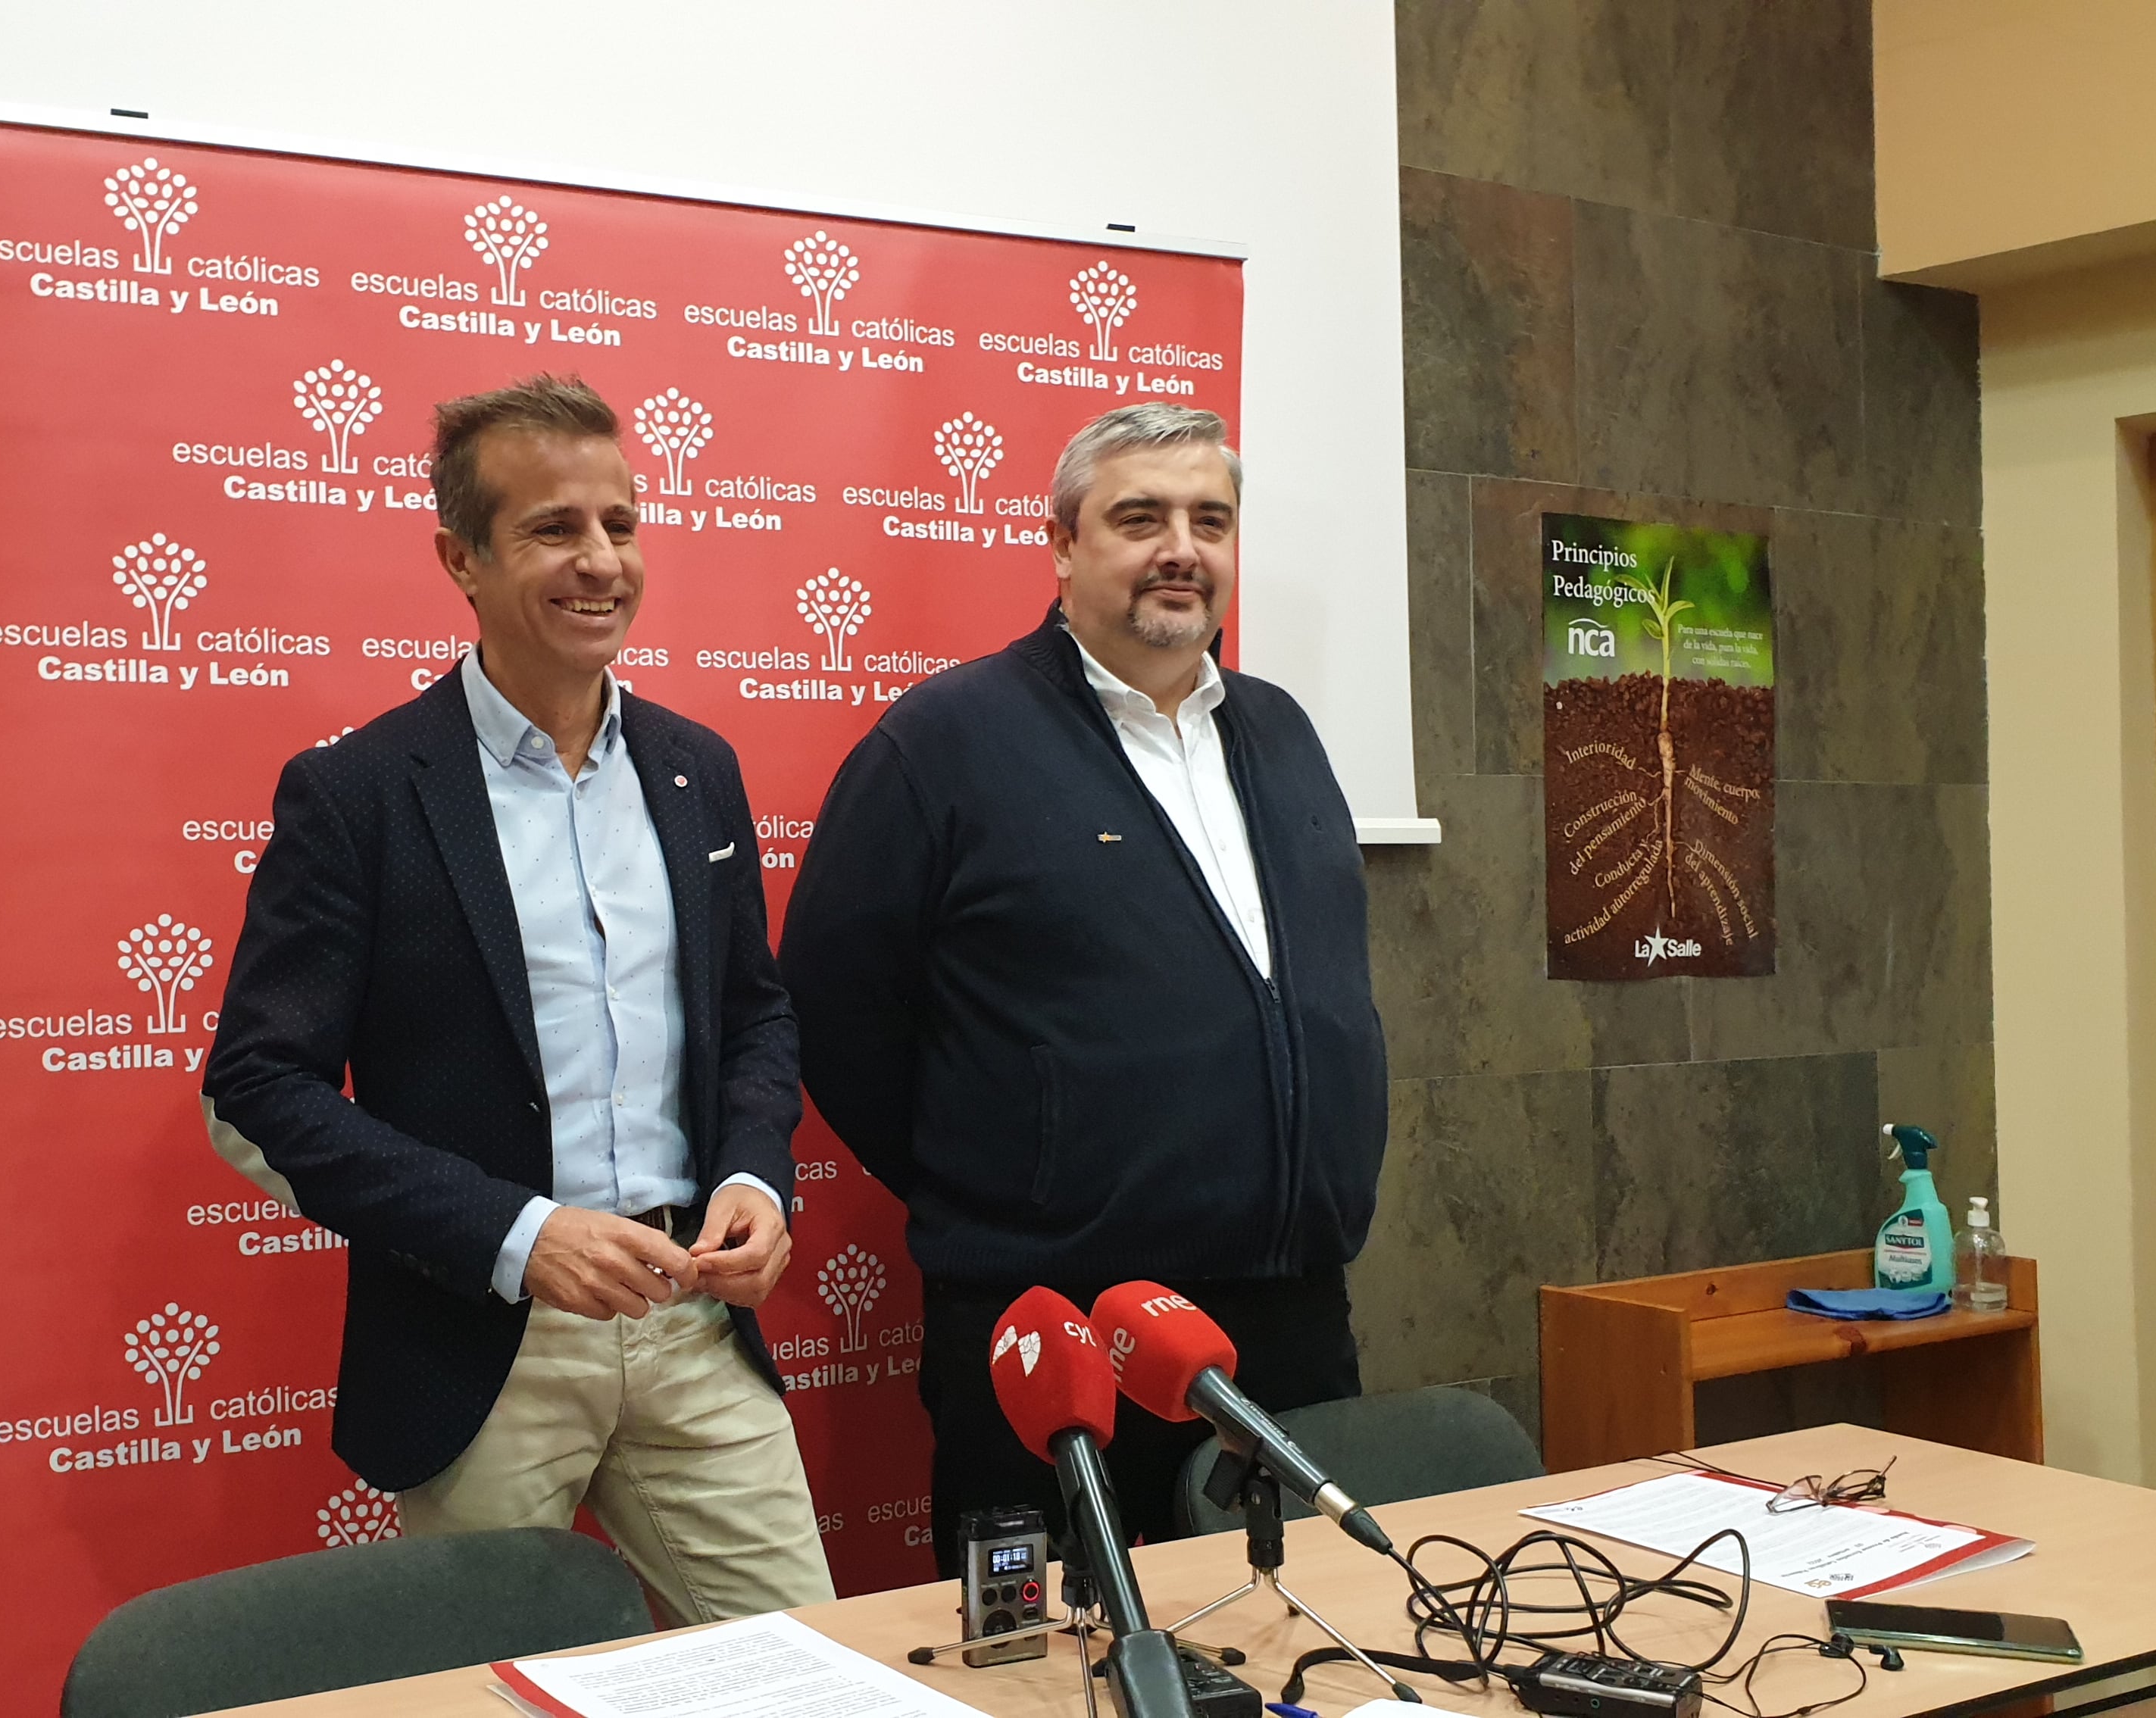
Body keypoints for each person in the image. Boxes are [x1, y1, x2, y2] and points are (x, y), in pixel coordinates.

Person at [204, 373, 833, 1623]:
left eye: (621, 524)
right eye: (554, 530)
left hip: (694, 1330)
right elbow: (258, 1089)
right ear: (463, 560)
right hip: (481, 1350)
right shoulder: (362, 794)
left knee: (808, 1673)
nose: (602, 562)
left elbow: (754, 1016)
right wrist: (517, 1235)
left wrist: (756, 1179)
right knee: (473, 1692)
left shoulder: (695, 772)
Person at [778, 403, 1386, 1566]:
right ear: (1062, 546)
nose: (1182, 548)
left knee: (1305, 1625)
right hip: (1052, 1326)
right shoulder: (945, 742)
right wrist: (1012, 1170)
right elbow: (832, 1007)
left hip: (1287, 1313)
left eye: (1210, 520)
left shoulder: (1280, 732)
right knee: (1060, 1669)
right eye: (1140, 517)